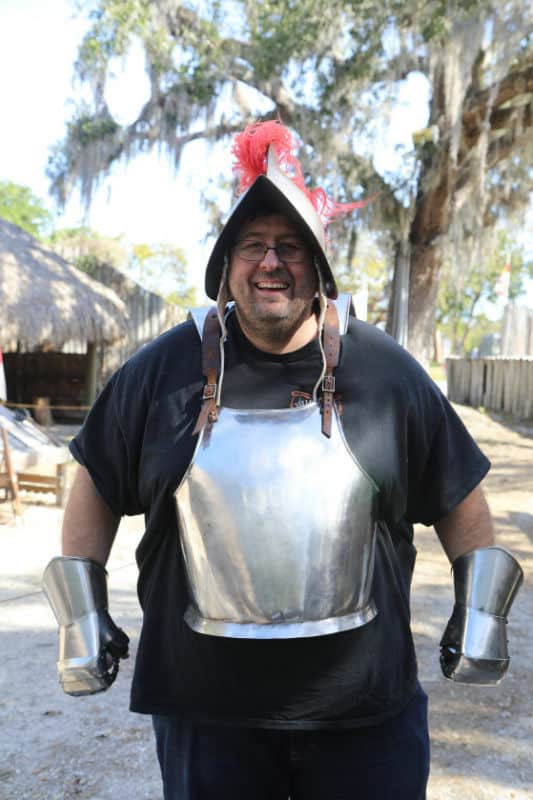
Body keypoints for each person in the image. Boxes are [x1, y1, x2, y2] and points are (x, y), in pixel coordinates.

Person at [43, 121, 523, 800]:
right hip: (205, 710)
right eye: (253, 246)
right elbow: (95, 479)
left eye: (290, 248)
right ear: (226, 264)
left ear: (318, 269)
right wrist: (82, 617)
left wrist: (479, 617)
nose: (271, 263)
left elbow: (457, 495)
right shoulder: (163, 371)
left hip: (363, 709)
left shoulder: (385, 372)